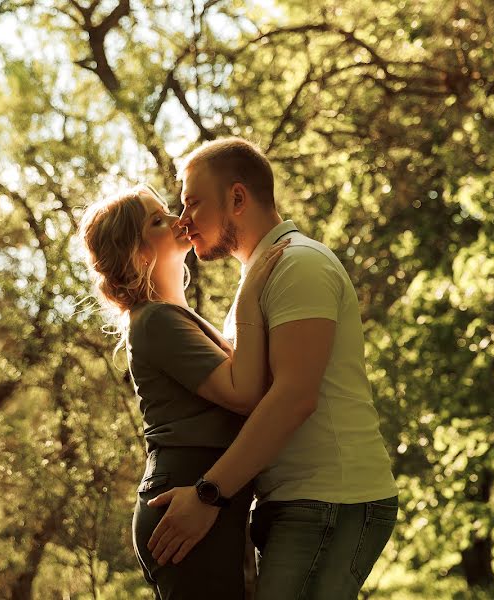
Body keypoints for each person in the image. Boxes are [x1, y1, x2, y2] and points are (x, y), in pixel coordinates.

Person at [147, 138, 399, 599]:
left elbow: (293, 397)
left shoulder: (298, 265)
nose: (183, 220)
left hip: (330, 500)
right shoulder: (264, 275)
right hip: (298, 503)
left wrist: (209, 494)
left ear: (237, 199)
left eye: (193, 203)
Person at [77, 183, 290, 599]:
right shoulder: (156, 320)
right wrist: (249, 295)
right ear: (138, 254)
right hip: (182, 502)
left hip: (204, 498)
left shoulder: (172, 315)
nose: (179, 220)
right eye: (157, 221)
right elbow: (245, 394)